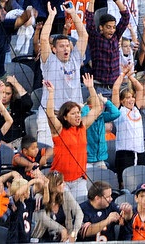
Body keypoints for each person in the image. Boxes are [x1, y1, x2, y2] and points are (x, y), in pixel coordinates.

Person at [44, 74, 100, 202]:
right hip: (60, 181)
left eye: (79, 113)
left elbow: (97, 108)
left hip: (79, 181)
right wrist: (51, 93)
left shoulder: (82, 126)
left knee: (79, 212)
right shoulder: (58, 129)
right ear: (65, 116)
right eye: (73, 113)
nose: (77, 116)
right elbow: (50, 115)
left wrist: (91, 88)